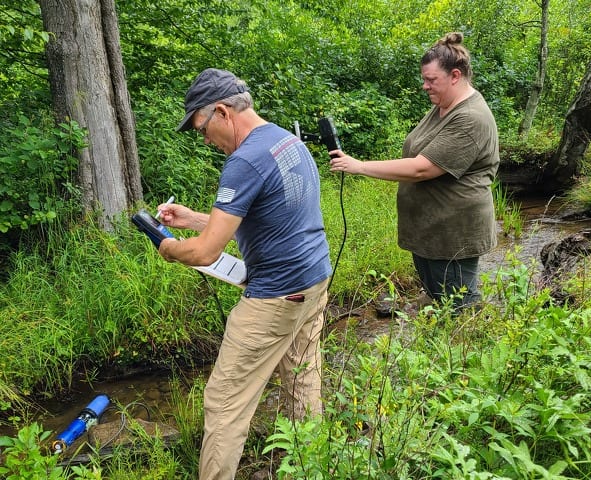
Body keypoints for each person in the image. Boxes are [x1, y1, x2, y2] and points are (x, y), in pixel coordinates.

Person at [156, 68, 332, 479]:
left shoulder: (244, 161)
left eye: (202, 128)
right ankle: (312, 466)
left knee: (224, 402)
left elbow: (205, 252)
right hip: (313, 281)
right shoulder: (286, 142)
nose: (204, 140)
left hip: (276, 296)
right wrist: (193, 219)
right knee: (302, 378)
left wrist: (167, 247)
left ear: (221, 111)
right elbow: (262, 217)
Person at [329, 32, 499, 309]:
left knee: (460, 308)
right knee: (437, 300)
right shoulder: (443, 105)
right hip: (429, 229)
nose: (425, 86)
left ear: (455, 75)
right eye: (424, 79)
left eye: (432, 80)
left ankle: (470, 348)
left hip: (453, 233)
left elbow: (423, 168)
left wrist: (359, 166)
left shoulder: (471, 118)